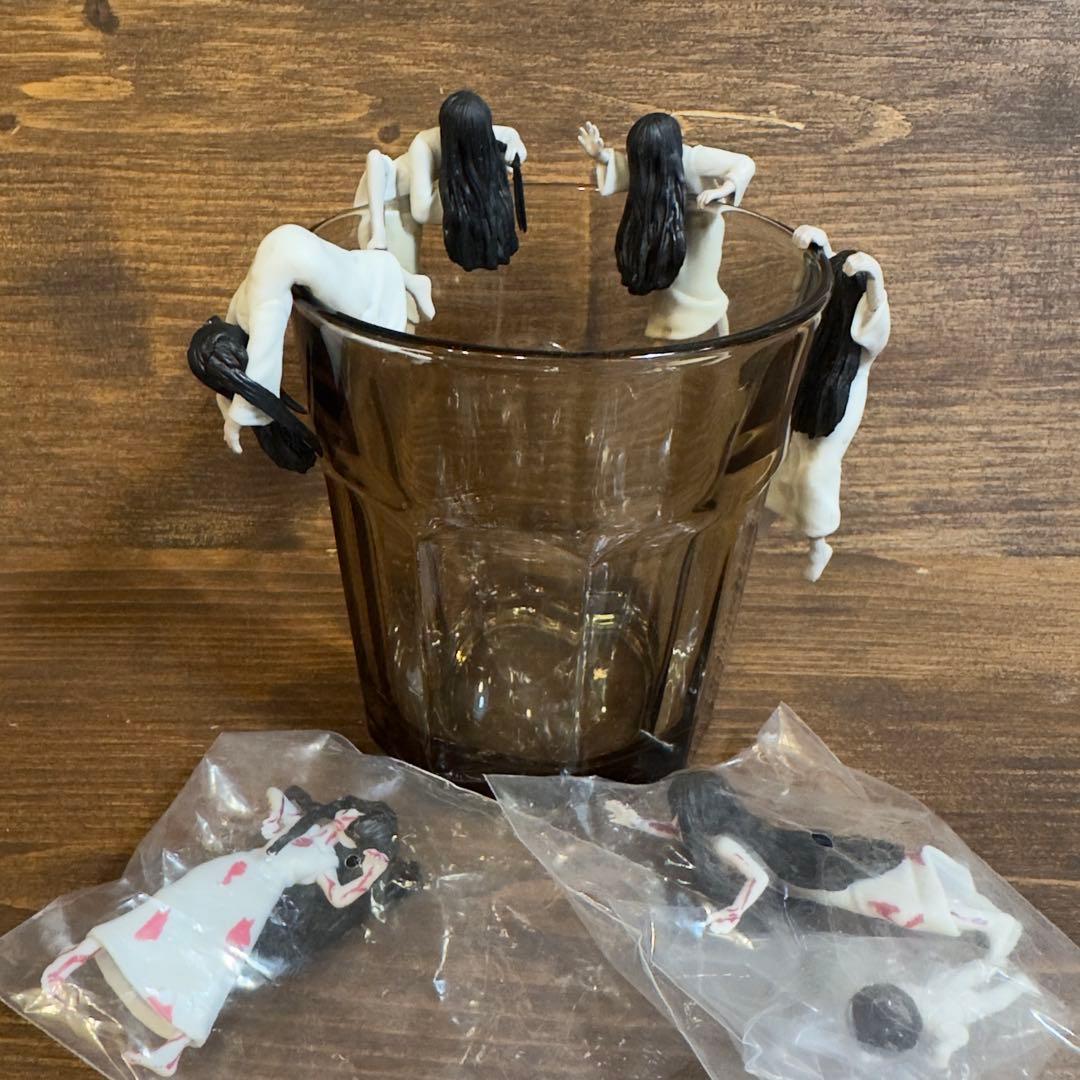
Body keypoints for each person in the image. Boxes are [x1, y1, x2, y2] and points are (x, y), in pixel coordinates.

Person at [41, 788, 408, 1077]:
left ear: (357, 840)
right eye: (350, 811)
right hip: (228, 873)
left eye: (355, 821)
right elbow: (275, 795)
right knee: (162, 913)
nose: (347, 818)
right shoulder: (304, 825)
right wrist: (297, 812)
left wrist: (370, 873)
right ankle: (71, 961)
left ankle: (171, 1052)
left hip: (251, 904)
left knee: (215, 965)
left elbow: (339, 897)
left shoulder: (326, 861)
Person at [607, 770, 1022, 960]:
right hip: (820, 868)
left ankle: (990, 924)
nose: (677, 818)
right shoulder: (723, 830)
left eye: (679, 809)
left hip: (825, 880)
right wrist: (635, 822)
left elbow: (757, 876)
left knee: (902, 906)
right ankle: (979, 919)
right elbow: (678, 832)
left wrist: (734, 911)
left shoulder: (724, 842)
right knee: (902, 894)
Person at [194, 223, 434, 459]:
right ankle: (411, 282)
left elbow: (262, 358)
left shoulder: (262, 302)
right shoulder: (239, 307)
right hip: (293, 243)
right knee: (350, 268)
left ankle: (409, 333)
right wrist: (227, 397)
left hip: (299, 257)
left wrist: (237, 417)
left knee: (363, 314)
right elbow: (232, 366)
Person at [764, 225, 891, 580]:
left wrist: (874, 278)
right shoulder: (819, 336)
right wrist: (819, 246)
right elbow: (815, 288)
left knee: (813, 474)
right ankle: (756, 526)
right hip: (804, 405)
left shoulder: (858, 351)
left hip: (834, 414)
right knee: (781, 467)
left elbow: (876, 314)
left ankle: (819, 546)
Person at [577, 112, 754, 338]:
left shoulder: (693, 158)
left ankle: (719, 339)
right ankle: (665, 334)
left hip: (702, 230)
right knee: (670, 285)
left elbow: (744, 163)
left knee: (701, 288)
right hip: (667, 228)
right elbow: (630, 171)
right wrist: (601, 156)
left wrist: (722, 190)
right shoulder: (651, 163)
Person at [354, 89, 527, 272]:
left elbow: (509, 135)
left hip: (409, 206)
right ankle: (378, 233)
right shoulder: (423, 145)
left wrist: (514, 149)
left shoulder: (476, 132)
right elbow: (421, 211)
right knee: (399, 274)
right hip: (387, 202)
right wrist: (474, 192)